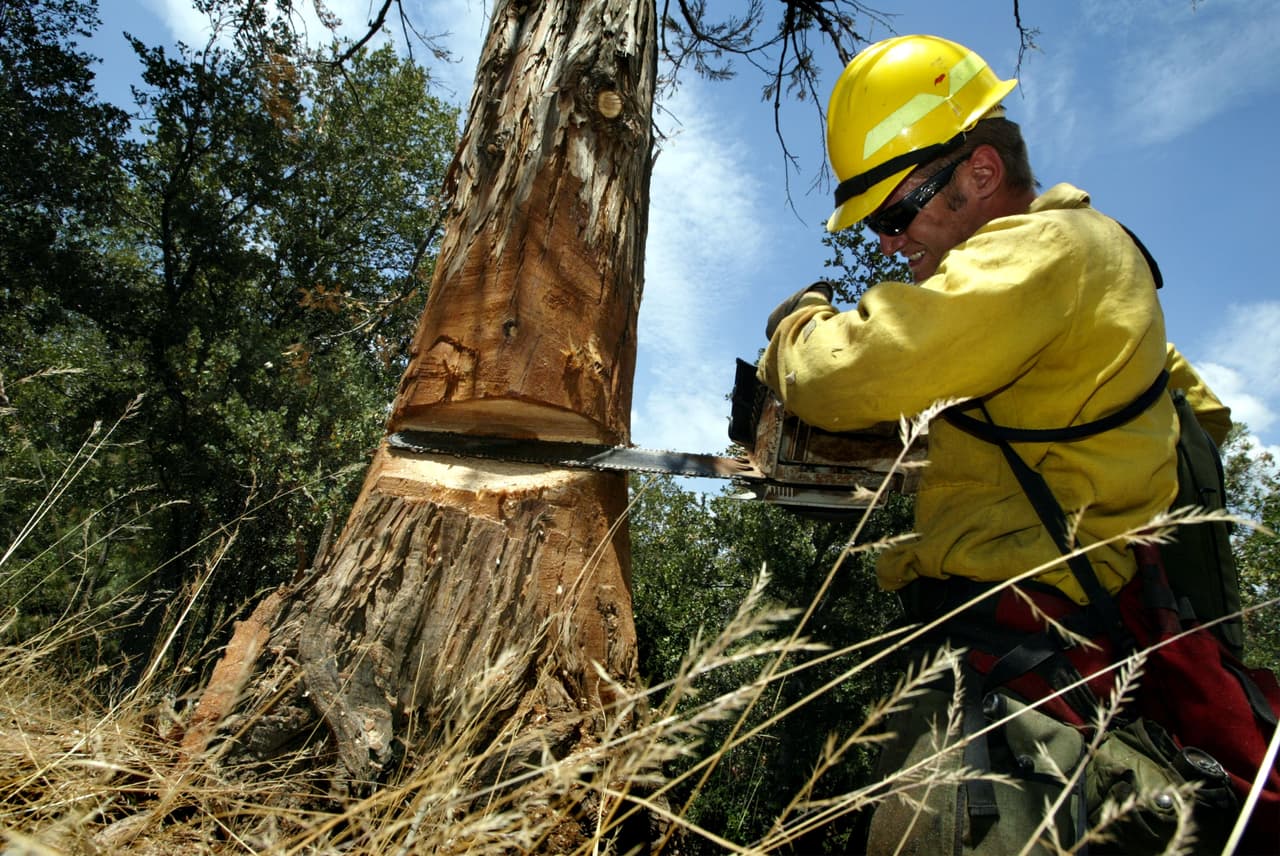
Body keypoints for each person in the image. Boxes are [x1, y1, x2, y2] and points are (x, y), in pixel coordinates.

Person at [757, 34, 1233, 854]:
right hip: (1060, 655)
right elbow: (1185, 420)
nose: (888, 241)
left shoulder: (1044, 251)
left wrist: (793, 329)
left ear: (979, 172)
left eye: (896, 212)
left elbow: (844, 371)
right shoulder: (1083, 274)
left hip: (1015, 673)